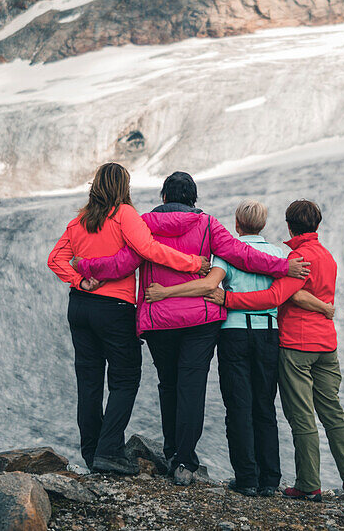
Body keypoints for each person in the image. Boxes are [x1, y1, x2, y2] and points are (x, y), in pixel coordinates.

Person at [73, 172, 311, 486]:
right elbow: (243, 255)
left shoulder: (143, 225)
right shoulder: (208, 224)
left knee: (168, 385)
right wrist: (283, 266)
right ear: (193, 199)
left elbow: (122, 263)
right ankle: (184, 461)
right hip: (200, 322)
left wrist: (85, 266)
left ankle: (171, 450)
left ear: (163, 198)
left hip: (159, 319)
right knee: (191, 388)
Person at [145, 199, 334, 498]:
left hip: (234, 334)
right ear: (264, 224)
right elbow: (290, 295)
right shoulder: (279, 254)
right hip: (269, 334)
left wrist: (166, 292)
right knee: (264, 406)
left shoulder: (226, 253)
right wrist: (325, 307)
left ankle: (246, 479)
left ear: (236, 223)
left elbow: (210, 286)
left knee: (238, 407)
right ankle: (270, 479)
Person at [46, 162, 209, 476]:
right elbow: (150, 249)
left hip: (79, 307)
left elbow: (55, 259)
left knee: (89, 383)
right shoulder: (123, 215)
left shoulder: (79, 220)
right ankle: (109, 451)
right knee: (124, 379)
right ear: (123, 187)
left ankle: (93, 453)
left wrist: (79, 280)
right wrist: (193, 263)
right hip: (114, 308)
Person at [205, 199, 344, 502]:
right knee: (333, 412)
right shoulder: (327, 257)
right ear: (317, 225)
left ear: (290, 225)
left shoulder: (296, 258)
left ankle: (308, 485)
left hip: (297, 344)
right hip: (326, 344)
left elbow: (276, 296)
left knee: (302, 416)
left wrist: (227, 300)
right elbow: (311, 296)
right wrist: (322, 306)